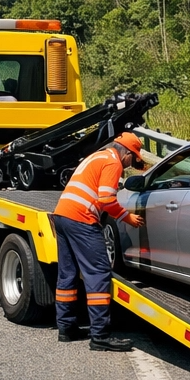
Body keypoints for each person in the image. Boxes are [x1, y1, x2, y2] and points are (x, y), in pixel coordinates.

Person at [51, 131, 147, 350]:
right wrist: (127, 217)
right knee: (98, 273)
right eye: (132, 159)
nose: (130, 165)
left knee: (67, 273)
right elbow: (106, 199)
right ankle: (100, 336)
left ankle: (66, 328)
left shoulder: (97, 156)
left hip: (62, 216)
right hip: (81, 219)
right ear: (127, 154)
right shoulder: (113, 163)